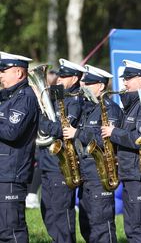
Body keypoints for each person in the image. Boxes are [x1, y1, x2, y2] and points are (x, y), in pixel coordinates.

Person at [101, 59, 141, 243]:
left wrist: (113, 132)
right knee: (131, 227)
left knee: (140, 227)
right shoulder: (134, 104)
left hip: (140, 174)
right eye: (124, 78)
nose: (124, 82)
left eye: (129, 78)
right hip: (131, 173)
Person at [63, 65, 122, 242]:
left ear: (101, 86)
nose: (84, 86)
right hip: (85, 173)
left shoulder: (110, 109)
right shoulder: (87, 108)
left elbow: (107, 139)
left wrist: (78, 133)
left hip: (100, 174)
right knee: (87, 224)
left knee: (101, 224)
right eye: (84, 82)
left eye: (89, 83)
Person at [38, 58, 85, 243]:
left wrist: (45, 124)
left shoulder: (75, 100)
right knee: (48, 211)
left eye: (63, 76)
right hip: (47, 161)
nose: (58, 79)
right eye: (59, 75)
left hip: (61, 164)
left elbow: (63, 129)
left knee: (61, 212)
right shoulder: (56, 94)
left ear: (74, 79)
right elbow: (44, 117)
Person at [0, 51, 39, 241]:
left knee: (11, 231)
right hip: (3, 172)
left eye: (4, 70)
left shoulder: (25, 97)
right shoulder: (8, 96)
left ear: (18, 72)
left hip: (12, 173)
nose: (0, 75)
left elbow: (11, 132)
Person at [26, 69, 58, 209]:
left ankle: (32, 194)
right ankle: (30, 194)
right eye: (51, 73)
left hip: (52, 138)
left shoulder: (58, 90)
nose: (54, 75)